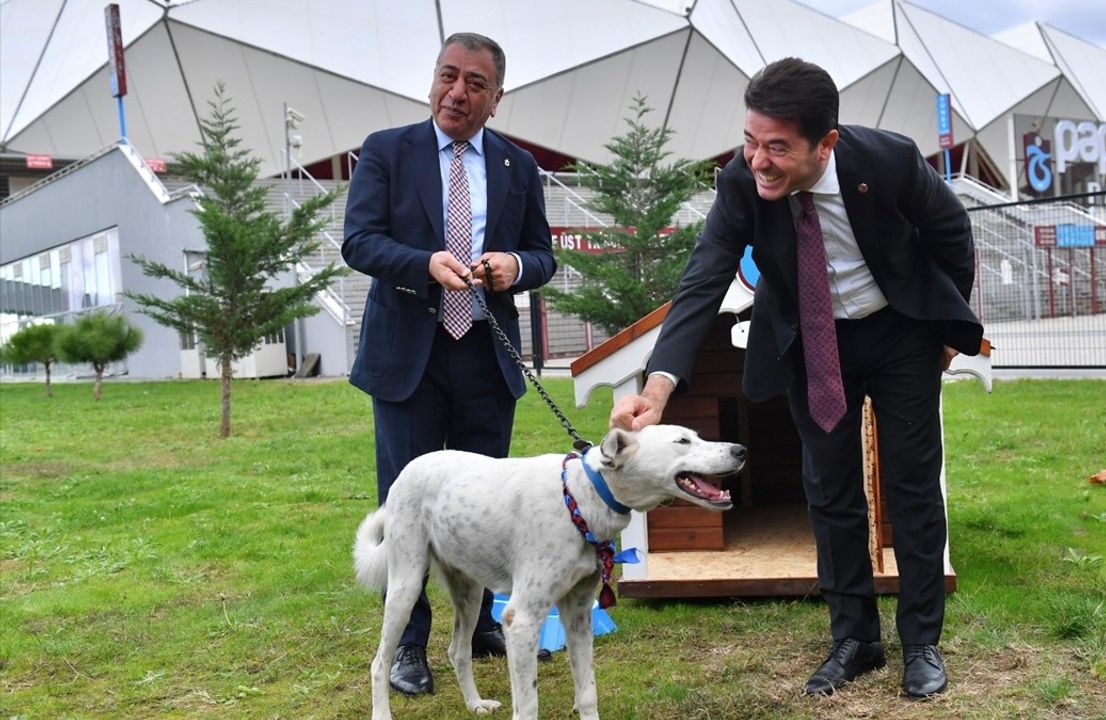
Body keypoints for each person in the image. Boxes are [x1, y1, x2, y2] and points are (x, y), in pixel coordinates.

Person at [610, 58, 982, 699]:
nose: (758, 160)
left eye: (778, 147)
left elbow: (951, 233)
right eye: (751, 140)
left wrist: (948, 335)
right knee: (829, 488)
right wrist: (658, 387)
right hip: (812, 339)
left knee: (913, 484)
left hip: (897, 332)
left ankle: (920, 642)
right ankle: (856, 639)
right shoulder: (739, 181)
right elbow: (704, 279)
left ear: (826, 144)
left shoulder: (888, 161)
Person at [342, 32, 557, 696]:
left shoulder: (519, 166)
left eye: (474, 84)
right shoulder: (385, 151)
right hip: (407, 358)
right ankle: (408, 645)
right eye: (447, 76)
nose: (457, 93)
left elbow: (543, 255)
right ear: (433, 80)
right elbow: (360, 241)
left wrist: (512, 268)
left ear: (497, 97)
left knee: (488, 505)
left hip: (484, 358)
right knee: (405, 504)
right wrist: (424, 265)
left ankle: (486, 624)